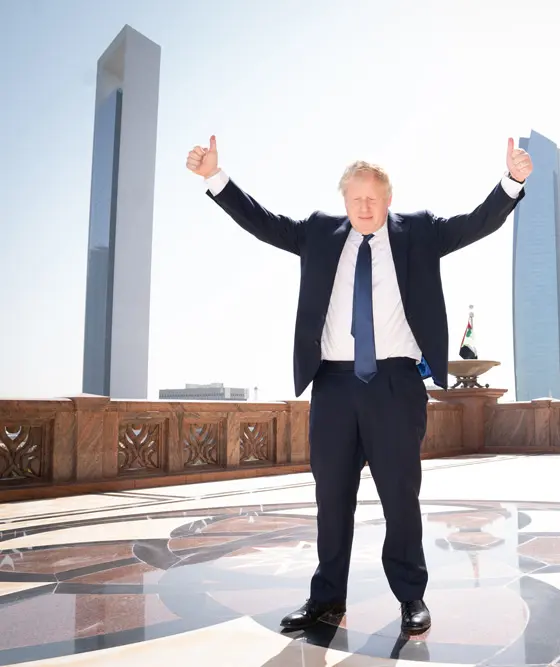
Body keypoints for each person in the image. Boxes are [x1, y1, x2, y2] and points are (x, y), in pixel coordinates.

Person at [185, 136, 531, 635]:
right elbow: (263, 223)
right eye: (355, 199)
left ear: (388, 199)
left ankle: (411, 597)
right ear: (343, 201)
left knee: (400, 496)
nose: (364, 207)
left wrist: (512, 182)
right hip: (333, 387)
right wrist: (216, 178)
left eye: (373, 198)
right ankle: (326, 598)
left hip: (394, 384)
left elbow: (477, 222)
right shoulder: (320, 233)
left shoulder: (420, 233)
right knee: (332, 498)